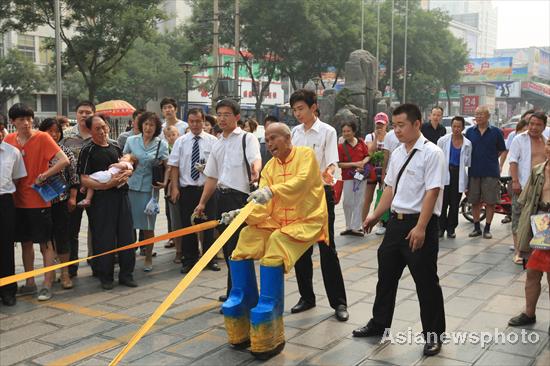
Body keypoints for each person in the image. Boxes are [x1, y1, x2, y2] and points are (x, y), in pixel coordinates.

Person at [221, 123, 328, 359]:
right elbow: (263, 207)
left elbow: (301, 183)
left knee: (276, 246)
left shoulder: (306, 155)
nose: (269, 144)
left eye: (273, 138)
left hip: (305, 219)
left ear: (288, 138)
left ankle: (270, 319)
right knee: (244, 242)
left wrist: (272, 191)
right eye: (267, 140)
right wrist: (241, 214)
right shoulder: (269, 167)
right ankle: (241, 304)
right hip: (277, 220)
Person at [355, 103, 446, 357]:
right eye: (394, 126)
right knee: (386, 277)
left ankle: (433, 335)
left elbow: (432, 191)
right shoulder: (397, 154)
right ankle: (379, 324)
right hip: (395, 223)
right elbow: (389, 189)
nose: (397, 131)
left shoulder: (432, 153)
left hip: (420, 224)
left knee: (426, 282)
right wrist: (374, 215)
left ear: (417, 124)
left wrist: (421, 227)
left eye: (401, 125)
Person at [289, 89, 349, 322]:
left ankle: (339, 302)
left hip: (320, 194)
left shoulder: (328, 131)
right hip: (299, 196)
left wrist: (329, 172)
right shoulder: (294, 133)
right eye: (294, 110)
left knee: (326, 247)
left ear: (314, 107)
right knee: (301, 246)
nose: (297, 114)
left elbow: (332, 161)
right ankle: (307, 297)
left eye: (301, 108)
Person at [193, 99, 261, 301]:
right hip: (221, 199)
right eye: (219, 114)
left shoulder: (247, 139)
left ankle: (239, 292)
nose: (222, 118)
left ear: (237, 117)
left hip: (239, 200)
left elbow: (255, 158)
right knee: (228, 247)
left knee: (238, 249)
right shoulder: (217, 143)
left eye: (227, 114)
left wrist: (256, 169)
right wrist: (203, 202)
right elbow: (212, 177)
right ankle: (236, 290)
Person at [5, 103, 70, 301]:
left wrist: (44, 175)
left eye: (29, 119)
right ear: (13, 122)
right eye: (21, 119)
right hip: (17, 200)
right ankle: (30, 282)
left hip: (39, 200)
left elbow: (64, 160)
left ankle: (47, 284)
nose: (26, 123)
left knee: (45, 244)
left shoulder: (42, 138)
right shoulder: (9, 140)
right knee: (25, 243)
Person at [78, 114, 136, 289]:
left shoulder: (116, 147)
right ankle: (106, 276)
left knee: (127, 236)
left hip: (122, 196)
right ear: (90, 131)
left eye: (104, 127)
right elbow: (84, 179)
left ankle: (127, 274)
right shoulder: (87, 151)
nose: (102, 131)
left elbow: (127, 166)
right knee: (105, 238)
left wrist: (128, 173)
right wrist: (106, 185)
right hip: (102, 200)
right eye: (97, 128)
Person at [169, 108, 220, 272]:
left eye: (198, 121)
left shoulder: (213, 141)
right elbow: (174, 166)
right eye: (192, 121)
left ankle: (209, 259)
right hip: (187, 189)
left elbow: (218, 166)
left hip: (207, 189)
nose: (195, 125)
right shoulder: (181, 141)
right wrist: (175, 187)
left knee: (209, 225)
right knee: (187, 226)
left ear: (203, 121)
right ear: (188, 122)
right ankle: (189, 260)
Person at [508, 137, 550, 333]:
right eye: (549, 144)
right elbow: (526, 201)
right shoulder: (539, 170)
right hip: (540, 224)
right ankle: (529, 313)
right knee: (533, 272)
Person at [124, 112, 169, 272]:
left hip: (150, 190)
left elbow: (167, 165)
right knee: (128, 226)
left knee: (148, 226)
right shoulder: (131, 140)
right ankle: (128, 257)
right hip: (131, 188)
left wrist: (165, 182)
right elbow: (124, 161)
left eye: (152, 125)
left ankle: (148, 256)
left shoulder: (161, 144)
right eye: (146, 124)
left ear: (156, 128)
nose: (148, 127)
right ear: (141, 124)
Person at [39, 118, 80, 290]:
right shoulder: (37, 151)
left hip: (61, 202)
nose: (54, 134)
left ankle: (65, 273)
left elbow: (74, 178)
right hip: (40, 202)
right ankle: (50, 273)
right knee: (45, 240)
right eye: (50, 131)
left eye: (57, 131)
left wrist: (72, 197)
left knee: (63, 237)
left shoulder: (65, 152)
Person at [61, 100, 96, 278]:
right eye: (81, 112)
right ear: (76, 114)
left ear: (93, 114)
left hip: (94, 190)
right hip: (72, 191)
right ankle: (71, 267)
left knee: (96, 229)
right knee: (71, 231)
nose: (84, 115)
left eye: (88, 112)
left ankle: (96, 261)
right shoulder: (66, 136)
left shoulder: (98, 134)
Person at [509, 112, 547, 264]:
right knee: (518, 218)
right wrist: (515, 181)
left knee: (540, 219)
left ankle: (539, 250)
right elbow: (513, 161)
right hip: (523, 186)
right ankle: (518, 251)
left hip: (542, 190)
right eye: (531, 124)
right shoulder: (520, 139)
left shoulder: (546, 141)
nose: (534, 127)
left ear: (544, 127)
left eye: (538, 125)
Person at [465, 106, 506, 239]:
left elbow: (501, 150)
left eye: (481, 114)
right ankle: (476, 227)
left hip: (491, 171)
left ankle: (487, 228)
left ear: (488, 116)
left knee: (490, 202)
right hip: (474, 171)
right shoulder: (470, 132)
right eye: (476, 114)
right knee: (474, 201)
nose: (478, 117)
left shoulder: (496, 132)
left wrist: (491, 160)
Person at [0, 116, 27, 306]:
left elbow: (17, 179)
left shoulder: (12, 152)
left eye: (0, 128)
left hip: (5, 202)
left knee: (6, 246)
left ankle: (8, 290)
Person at [437, 116, 472, 238]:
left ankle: (451, 228)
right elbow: (438, 159)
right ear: (451, 127)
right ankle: (440, 227)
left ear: (463, 128)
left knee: (454, 203)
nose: (456, 129)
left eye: (459, 127)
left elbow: (467, 163)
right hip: (445, 173)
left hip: (458, 175)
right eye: (454, 126)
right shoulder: (442, 140)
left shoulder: (467, 144)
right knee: (443, 202)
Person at [338, 120, 370, 236]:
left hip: (361, 176)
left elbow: (367, 156)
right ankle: (348, 226)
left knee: (359, 201)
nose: (346, 133)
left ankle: (356, 227)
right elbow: (339, 164)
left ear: (354, 131)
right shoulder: (341, 147)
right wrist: (355, 164)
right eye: (344, 131)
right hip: (348, 177)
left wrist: (362, 163)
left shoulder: (361, 142)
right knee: (347, 201)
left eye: (348, 131)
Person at [364, 112, 388, 222]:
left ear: (386, 124)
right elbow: (370, 152)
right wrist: (376, 137)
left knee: (382, 197)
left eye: (381, 124)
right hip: (372, 171)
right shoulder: (370, 136)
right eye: (377, 124)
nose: (379, 127)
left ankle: (380, 222)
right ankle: (363, 222)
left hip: (385, 170)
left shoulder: (390, 136)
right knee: (367, 198)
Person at [163, 125, 180, 251]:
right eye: (168, 135)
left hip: (180, 183)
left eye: (173, 134)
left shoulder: (181, 145)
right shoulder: (165, 148)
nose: (171, 137)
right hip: (168, 184)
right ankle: (171, 236)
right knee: (170, 214)